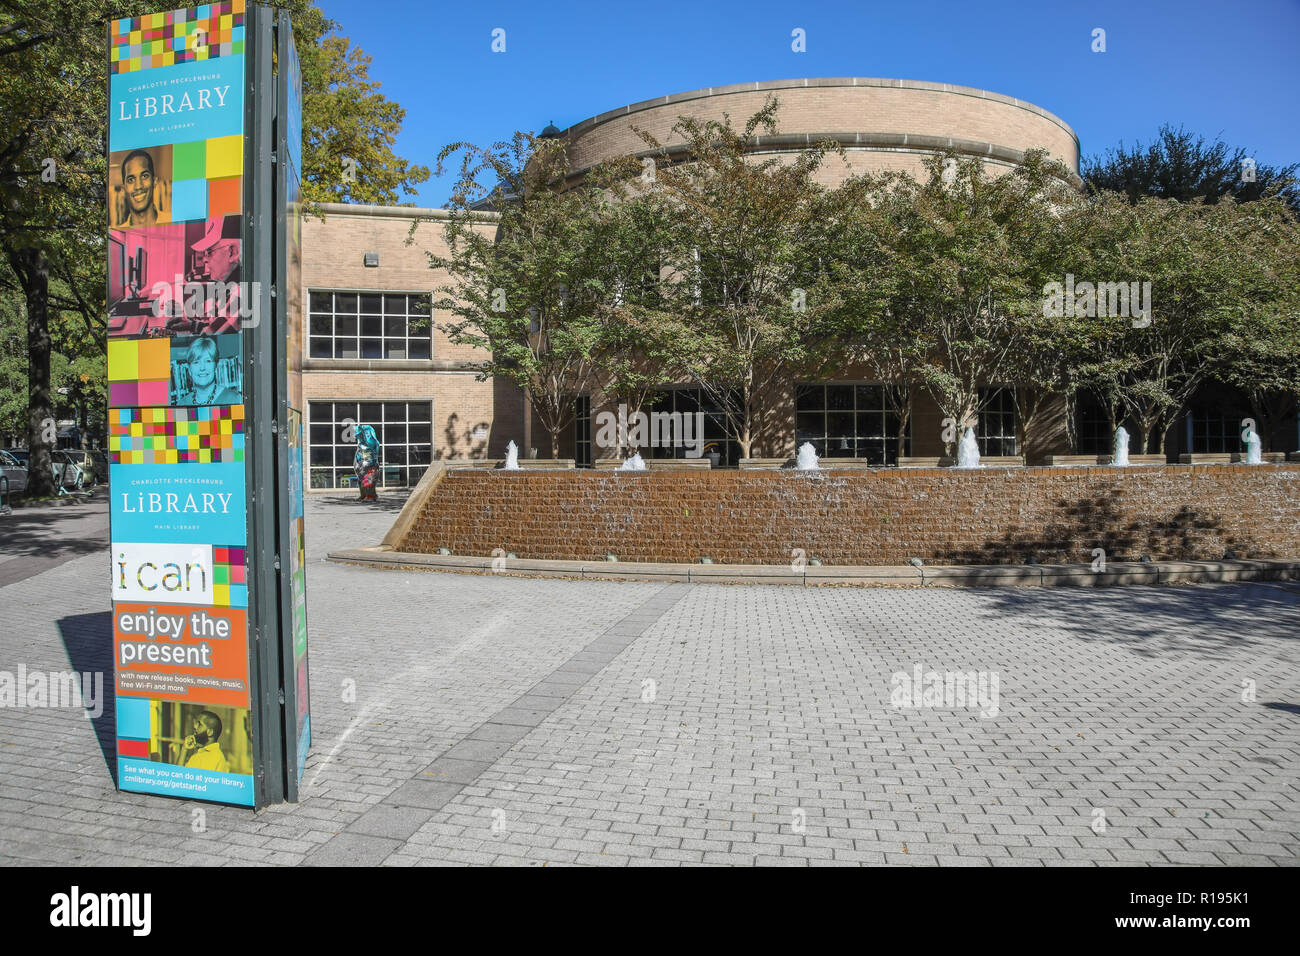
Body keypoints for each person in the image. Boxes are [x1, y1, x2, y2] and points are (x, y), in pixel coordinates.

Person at [173, 336, 240, 406]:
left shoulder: (235, 399)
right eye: (196, 362)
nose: (202, 368)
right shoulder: (181, 404)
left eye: (208, 361)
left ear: (216, 366)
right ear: (189, 369)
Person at [115, 149, 168, 228]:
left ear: (154, 181)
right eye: (131, 180)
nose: (138, 186)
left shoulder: (173, 222)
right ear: (124, 188)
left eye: (144, 176)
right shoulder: (117, 235)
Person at [354, 424, 380, 500]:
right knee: (361, 481)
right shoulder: (361, 444)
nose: (357, 437)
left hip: (370, 465)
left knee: (369, 481)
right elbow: (358, 454)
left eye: (359, 435)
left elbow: (374, 455)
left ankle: (371, 496)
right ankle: (364, 495)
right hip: (361, 466)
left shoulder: (372, 444)